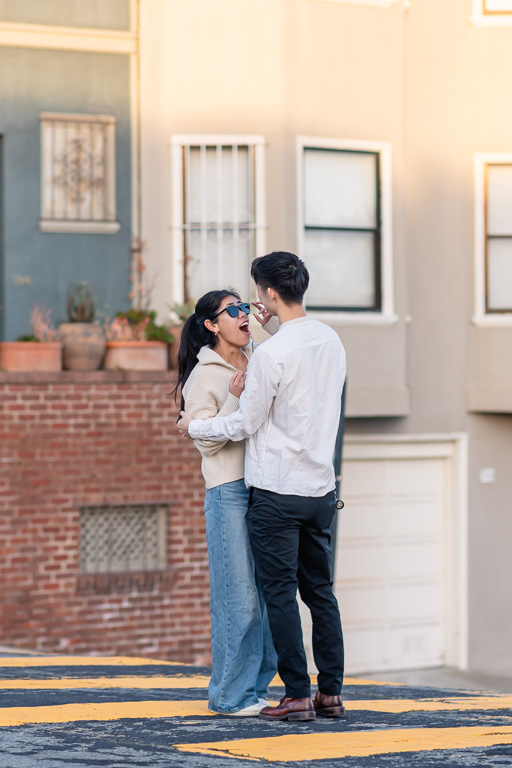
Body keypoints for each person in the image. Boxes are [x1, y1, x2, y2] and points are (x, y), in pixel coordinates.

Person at [177, 251, 346, 722]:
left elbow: (248, 421)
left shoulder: (267, 353)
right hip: (317, 490)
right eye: (233, 308)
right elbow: (297, 361)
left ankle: (295, 694)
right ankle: (328, 692)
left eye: (250, 298)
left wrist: (192, 426)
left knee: (277, 596)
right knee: (318, 593)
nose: (248, 309)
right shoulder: (330, 341)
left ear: (269, 294)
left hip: (275, 490)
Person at [172, 288, 277, 716]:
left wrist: (268, 325)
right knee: (239, 598)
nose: (243, 315)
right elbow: (207, 444)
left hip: (263, 487)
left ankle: (255, 688)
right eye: (232, 310)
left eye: (245, 308)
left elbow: (287, 359)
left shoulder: (258, 357)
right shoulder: (204, 376)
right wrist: (235, 397)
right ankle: (230, 697)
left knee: (268, 597)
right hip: (228, 491)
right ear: (212, 325)